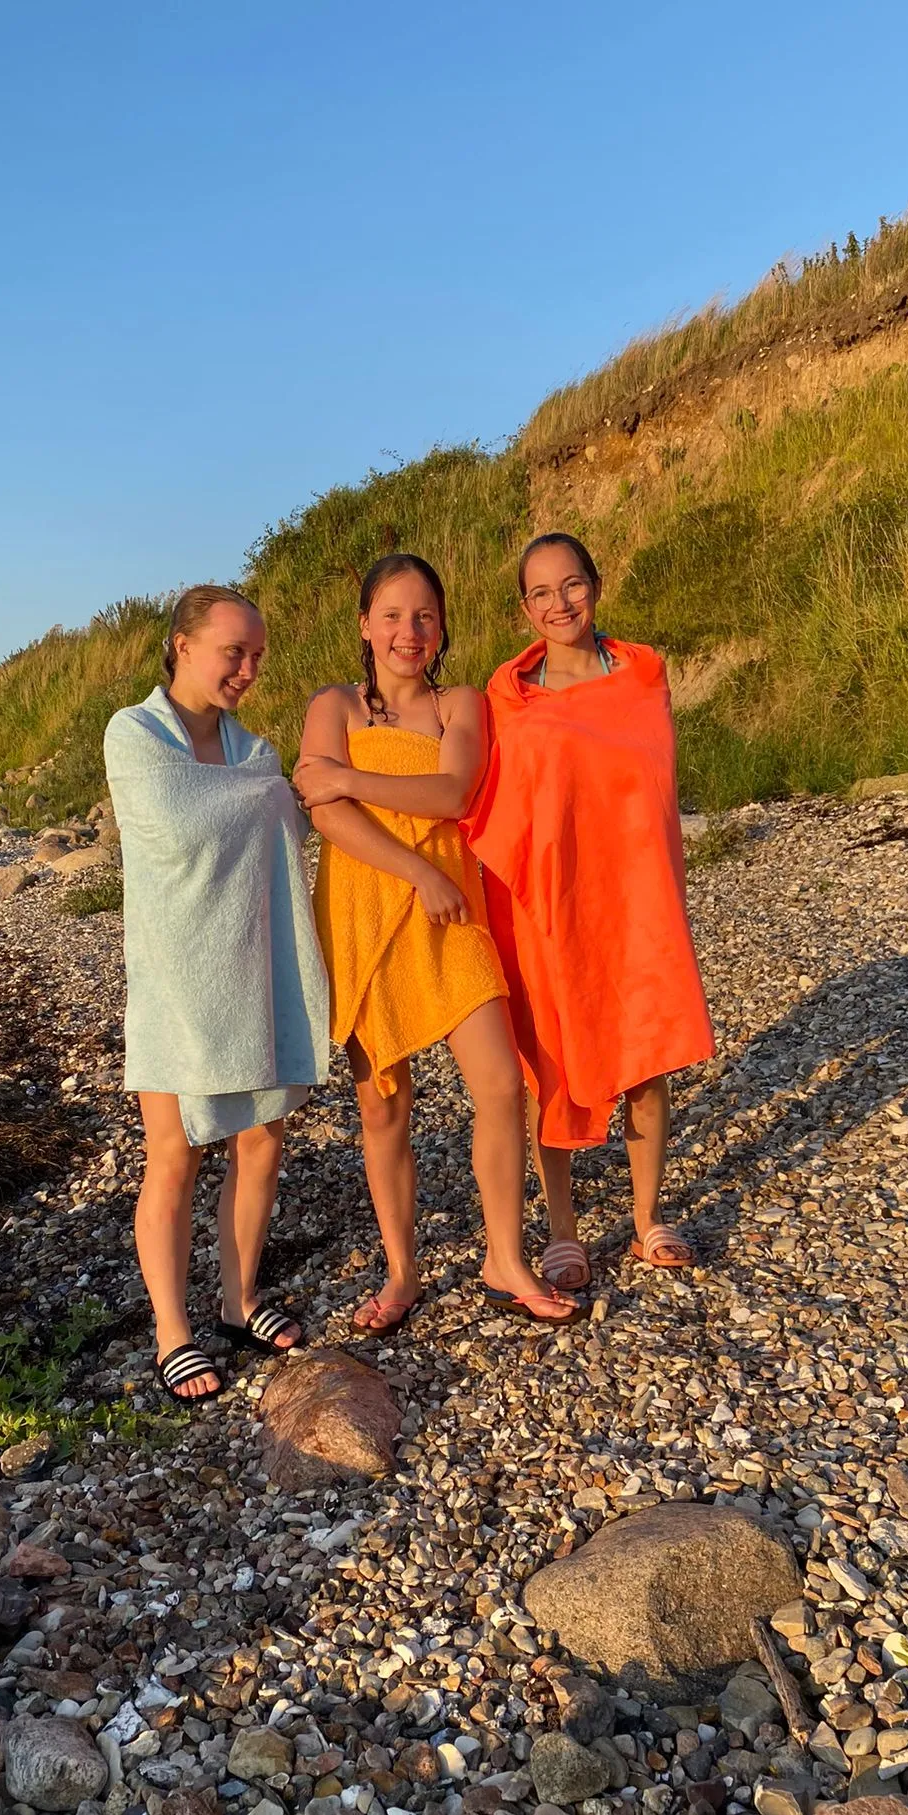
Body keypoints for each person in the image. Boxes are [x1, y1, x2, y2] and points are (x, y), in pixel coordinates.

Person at [293, 553, 574, 1331]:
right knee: (385, 1108)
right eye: (391, 616)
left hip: (452, 915)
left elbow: (452, 792)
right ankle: (402, 1269)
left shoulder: (462, 704)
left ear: (441, 626)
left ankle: (504, 1258)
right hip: (365, 913)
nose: (407, 632)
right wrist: (415, 868)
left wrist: (349, 778)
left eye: (423, 617)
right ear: (364, 626)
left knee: (499, 1086)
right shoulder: (333, 707)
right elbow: (325, 814)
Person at [463, 533, 715, 1292]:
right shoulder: (507, 694)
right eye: (541, 593)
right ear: (524, 607)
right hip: (549, 898)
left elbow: (653, 784)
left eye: (571, 586)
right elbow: (494, 796)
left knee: (645, 1052)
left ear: (595, 587)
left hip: (634, 893)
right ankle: (564, 1230)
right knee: (555, 1060)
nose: (559, 604)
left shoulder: (641, 674)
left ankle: (645, 1219)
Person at [104, 585, 330, 1401]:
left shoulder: (251, 750)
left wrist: (274, 795)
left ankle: (239, 1301)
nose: (247, 669)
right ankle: (172, 1331)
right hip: (174, 981)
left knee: (262, 1142)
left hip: (251, 968)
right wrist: (273, 797)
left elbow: (281, 822)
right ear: (183, 646)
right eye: (234, 651)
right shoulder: (133, 734)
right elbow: (177, 819)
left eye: (257, 656)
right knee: (173, 1156)